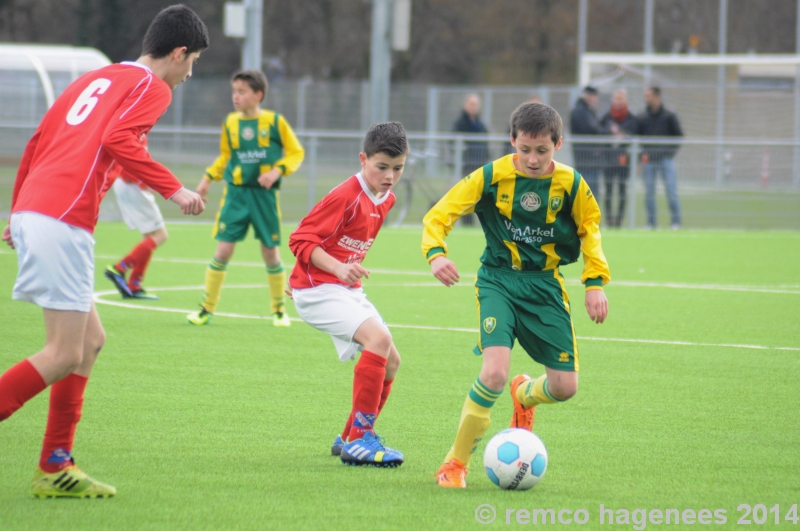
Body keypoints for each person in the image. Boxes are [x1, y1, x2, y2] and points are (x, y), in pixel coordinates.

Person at [0, 4, 208, 498]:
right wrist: (174, 190)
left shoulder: (98, 77)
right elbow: (120, 140)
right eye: (193, 61)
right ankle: (53, 465)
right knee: (63, 351)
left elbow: (36, 142)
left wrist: (17, 212)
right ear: (177, 53)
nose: (190, 73)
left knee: (89, 342)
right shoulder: (152, 87)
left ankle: (55, 465)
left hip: (39, 209)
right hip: (61, 217)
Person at [423, 103, 610, 488]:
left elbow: (591, 231)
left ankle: (524, 395)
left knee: (565, 388)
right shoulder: (491, 175)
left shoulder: (572, 185)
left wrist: (594, 284)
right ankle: (454, 464)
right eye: (525, 149)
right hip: (499, 281)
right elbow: (440, 213)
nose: (533, 159)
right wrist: (435, 252)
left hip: (545, 285)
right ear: (513, 141)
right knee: (493, 372)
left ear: (558, 144)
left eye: (542, 150)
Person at [288, 122, 407, 467]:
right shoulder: (346, 195)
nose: (389, 176)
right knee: (379, 339)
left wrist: (341, 271)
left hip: (342, 288)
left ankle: (349, 437)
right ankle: (360, 440)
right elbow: (300, 239)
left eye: (397, 168)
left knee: (392, 362)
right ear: (363, 159)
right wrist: (334, 269)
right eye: (381, 167)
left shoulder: (387, 198)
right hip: (320, 289)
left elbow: (340, 244)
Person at [186, 70, 304, 327]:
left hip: (264, 198)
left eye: (242, 92)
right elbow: (226, 156)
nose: (235, 97)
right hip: (236, 195)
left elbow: (296, 152)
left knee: (270, 253)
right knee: (223, 250)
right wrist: (208, 178)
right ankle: (206, 309)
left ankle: (279, 311)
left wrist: (277, 170)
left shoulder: (274, 122)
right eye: (234, 91)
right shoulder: (230, 123)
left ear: (257, 95)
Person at [104, 136, 167, 299]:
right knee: (161, 235)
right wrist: (144, 182)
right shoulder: (137, 127)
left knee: (148, 236)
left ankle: (134, 286)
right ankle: (119, 268)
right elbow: (129, 159)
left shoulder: (139, 127)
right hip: (131, 184)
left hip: (126, 184)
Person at [637, 86, 683, 230]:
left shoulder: (669, 116)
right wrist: (641, 157)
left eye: (648, 95)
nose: (646, 98)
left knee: (671, 191)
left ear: (656, 96)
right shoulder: (643, 117)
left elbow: (679, 136)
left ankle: (676, 222)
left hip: (665, 160)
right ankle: (651, 223)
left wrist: (669, 153)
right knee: (649, 192)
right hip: (649, 161)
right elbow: (637, 138)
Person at [600, 89, 638, 228]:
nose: (618, 101)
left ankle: (619, 222)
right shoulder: (606, 117)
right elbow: (599, 132)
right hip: (608, 159)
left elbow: (635, 133)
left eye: (621, 98)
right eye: (616, 98)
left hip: (624, 160)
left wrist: (624, 136)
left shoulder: (632, 117)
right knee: (608, 190)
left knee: (622, 190)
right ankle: (610, 221)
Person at [569, 85, 614, 199]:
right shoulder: (581, 112)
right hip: (586, 159)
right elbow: (593, 129)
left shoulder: (587, 111)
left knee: (591, 191)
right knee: (589, 192)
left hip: (590, 159)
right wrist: (610, 131)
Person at [453, 93, 490, 226]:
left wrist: (486, 157)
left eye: (476, 105)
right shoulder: (460, 123)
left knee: (482, 196)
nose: (474, 107)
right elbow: (453, 142)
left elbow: (485, 143)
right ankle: (466, 223)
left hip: (479, 164)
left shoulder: (480, 123)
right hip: (466, 164)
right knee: (467, 195)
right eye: (471, 104)